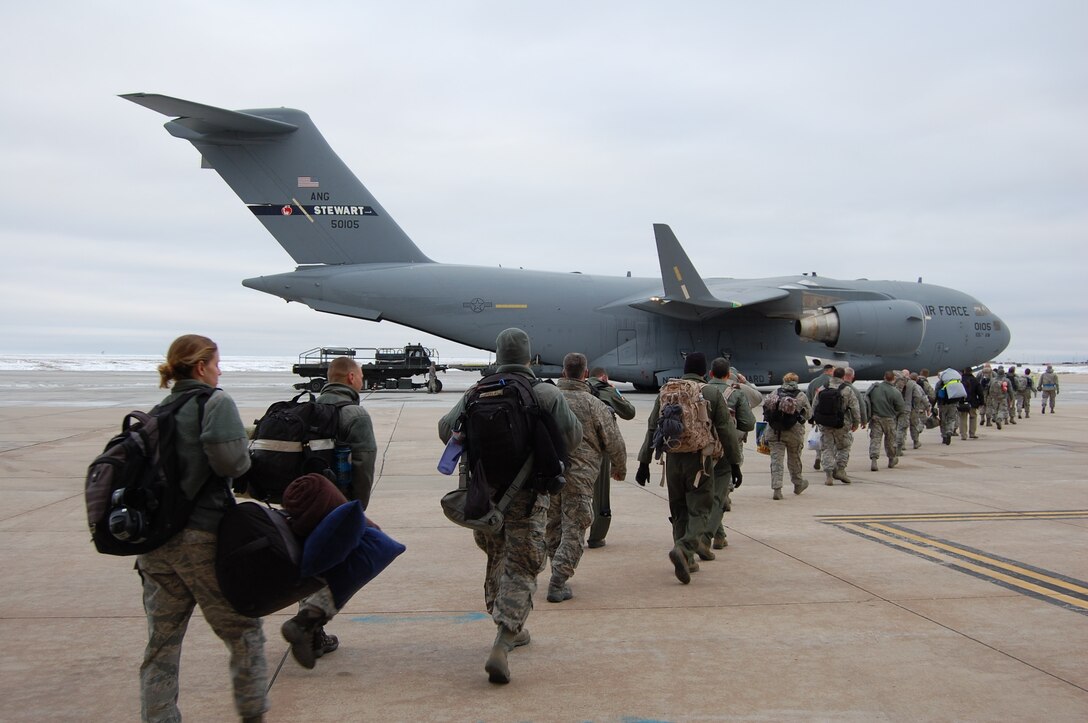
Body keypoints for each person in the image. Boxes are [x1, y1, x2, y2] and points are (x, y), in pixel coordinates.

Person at [438, 328, 581, 684]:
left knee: (496, 559)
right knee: (523, 566)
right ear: (529, 357)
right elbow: (574, 436)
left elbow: (445, 429)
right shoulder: (543, 391)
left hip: (484, 496)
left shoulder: (476, 392)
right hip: (529, 497)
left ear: (499, 356)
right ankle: (504, 639)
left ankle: (509, 625)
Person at [139, 334, 268, 722]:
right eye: (216, 363)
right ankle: (252, 715)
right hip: (202, 540)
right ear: (200, 367)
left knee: (161, 645)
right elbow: (232, 464)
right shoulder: (215, 402)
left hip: (156, 546)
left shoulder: (158, 410)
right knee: (244, 633)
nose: (220, 370)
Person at [281, 356, 377, 668]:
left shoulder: (304, 410)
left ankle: (313, 633)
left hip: (301, 504)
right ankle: (308, 620)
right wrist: (357, 512)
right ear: (350, 378)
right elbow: (362, 467)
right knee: (372, 552)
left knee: (312, 563)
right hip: (337, 504)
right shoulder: (355, 415)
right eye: (360, 375)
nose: (362, 380)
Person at [636, 352, 741, 584]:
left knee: (679, 509)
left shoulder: (667, 391)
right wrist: (735, 463)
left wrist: (644, 462)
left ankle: (687, 559)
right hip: (699, 461)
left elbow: (653, 427)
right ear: (705, 372)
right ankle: (684, 549)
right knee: (701, 508)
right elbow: (726, 431)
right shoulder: (711, 392)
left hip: (672, 458)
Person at [546, 353, 626, 602]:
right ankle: (558, 580)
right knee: (575, 528)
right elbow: (614, 441)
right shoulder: (594, 404)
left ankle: (556, 567)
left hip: (549, 474)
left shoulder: (547, 400)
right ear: (585, 373)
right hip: (580, 477)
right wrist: (619, 468)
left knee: (553, 526)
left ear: (563, 372)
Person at [704, 358, 755, 546]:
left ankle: (720, 535)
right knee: (719, 496)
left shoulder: (699, 390)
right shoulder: (735, 393)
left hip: (700, 447)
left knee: (705, 493)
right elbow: (749, 423)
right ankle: (706, 537)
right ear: (727, 375)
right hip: (724, 449)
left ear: (710, 374)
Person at [585, 367, 636, 549]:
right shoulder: (606, 390)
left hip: (573, 449)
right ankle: (596, 537)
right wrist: (615, 391)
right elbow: (630, 412)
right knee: (600, 496)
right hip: (599, 450)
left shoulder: (577, 388)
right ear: (604, 377)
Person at [764, 372, 812, 498]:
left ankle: (777, 489)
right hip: (794, 434)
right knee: (794, 459)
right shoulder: (801, 396)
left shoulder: (775, 393)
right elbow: (808, 414)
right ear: (796, 381)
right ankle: (798, 484)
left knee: (776, 461)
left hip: (774, 432)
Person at [816, 367, 861, 485]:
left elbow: (815, 404)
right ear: (843, 377)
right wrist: (856, 422)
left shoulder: (823, 388)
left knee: (827, 448)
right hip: (842, 424)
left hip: (825, 423)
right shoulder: (847, 390)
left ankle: (829, 476)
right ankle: (840, 470)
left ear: (832, 375)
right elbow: (855, 408)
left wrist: (817, 419)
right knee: (844, 447)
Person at [868, 370, 905, 470]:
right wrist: (895, 414)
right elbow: (901, 408)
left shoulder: (875, 389)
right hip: (889, 419)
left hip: (876, 418)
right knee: (890, 441)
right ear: (893, 379)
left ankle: (874, 460)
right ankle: (891, 459)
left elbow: (867, 401)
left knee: (875, 439)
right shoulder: (895, 392)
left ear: (884, 377)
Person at [808, 364, 835, 471]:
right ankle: (828, 462)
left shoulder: (814, 382)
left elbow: (809, 398)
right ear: (830, 371)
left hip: (817, 415)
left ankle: (818, 456)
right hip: (831, 415)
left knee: (818, 436)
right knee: (830, 439)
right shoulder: (833, 383)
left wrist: (811, 415)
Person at [934, 368, 966, 445]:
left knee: (943, 420)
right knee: (951, 419)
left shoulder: (939, 384)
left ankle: (944, 436)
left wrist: (932, 405)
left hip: (943, 404)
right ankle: (950, 431)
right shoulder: (957, 382)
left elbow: (935, 394)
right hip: (954, 403)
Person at [960, 367, 983, 440]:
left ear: (964, 371)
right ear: (971, 371)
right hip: (973, 401)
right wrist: (981, 402)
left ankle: (963, 435)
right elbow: (980, 392)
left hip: (962, 401)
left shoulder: (960, 380)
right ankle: (972, 433)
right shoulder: (975, 380)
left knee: (963, 418)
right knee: (973, 417)